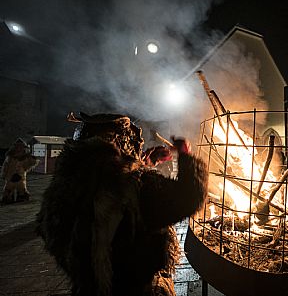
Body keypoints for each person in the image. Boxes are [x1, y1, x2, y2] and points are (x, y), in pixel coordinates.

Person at [36, 113, 208, 296]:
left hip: (87, 287)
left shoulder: (65, 183)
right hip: (137, 288)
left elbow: (52, 234)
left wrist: (145, 163)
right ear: (120, 141)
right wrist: (185, 156)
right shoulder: (134, 184)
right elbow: (190, 196)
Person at [1, 138, 39, 204]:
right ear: (15, 147)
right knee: (8, 189)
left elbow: (30, 164)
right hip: (10, 176)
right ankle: (7, 199)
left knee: (21, 189)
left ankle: (22, 198)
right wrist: (3, 174)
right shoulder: (10, 157)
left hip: (20, 176)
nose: (19, 148)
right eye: (17, 147)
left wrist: (33, 159)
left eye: (21, 147)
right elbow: (5, 166)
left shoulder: (26, 157)